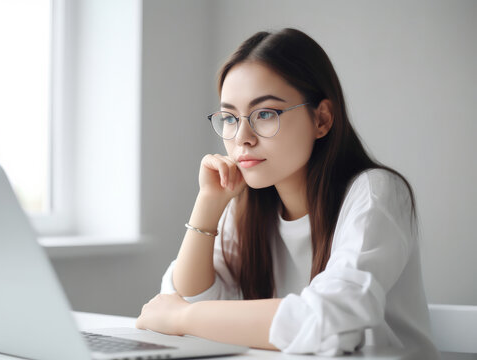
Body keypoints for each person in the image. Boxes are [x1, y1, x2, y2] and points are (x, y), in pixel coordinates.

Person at [135, 28, 439, 358]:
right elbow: (182, 302)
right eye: (230, 118)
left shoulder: (375, 193)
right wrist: (208, 204)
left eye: (265, 113)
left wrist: (182, 317)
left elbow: (327, 322)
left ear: (321, 119)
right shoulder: (248, 207)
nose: (242, 138)